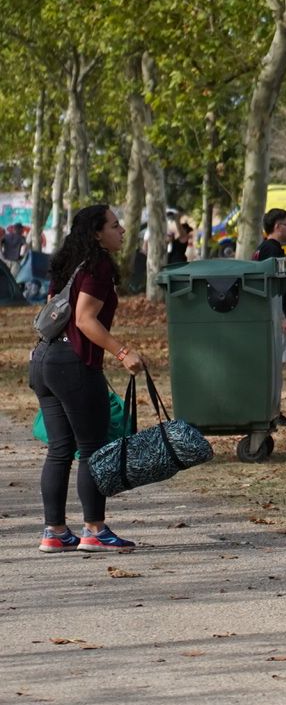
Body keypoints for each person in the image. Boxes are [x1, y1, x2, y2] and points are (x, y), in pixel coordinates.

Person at [28, 204, 147, 553]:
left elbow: (53, 309)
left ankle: (55, 531)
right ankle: (94, 530)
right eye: (114, 225)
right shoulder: (97, 266)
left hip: (44, 360)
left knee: (61, 449)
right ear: (97, 232)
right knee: (92, 450)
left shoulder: (67, 265)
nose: (122, 230)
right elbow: (84, 320)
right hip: (73, 365)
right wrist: (124, 353)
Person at [254, 208, 286, 332]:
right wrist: (282, 317)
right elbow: (274, 287)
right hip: (275, 321)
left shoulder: (263, 248)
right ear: (277, 226)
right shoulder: (273, 251)